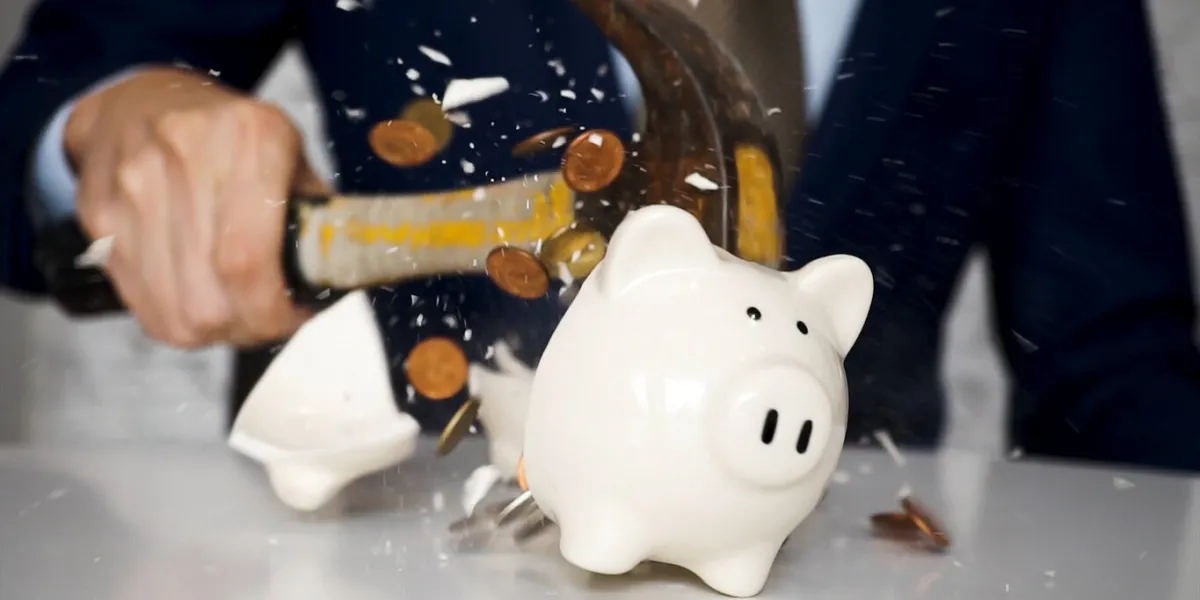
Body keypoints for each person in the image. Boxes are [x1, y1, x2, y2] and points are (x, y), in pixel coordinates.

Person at [1, 0, 1198, 471]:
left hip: (825, 545)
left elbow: (1119, 363)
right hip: (379, 548)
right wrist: (107, 124)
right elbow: (27, 125)